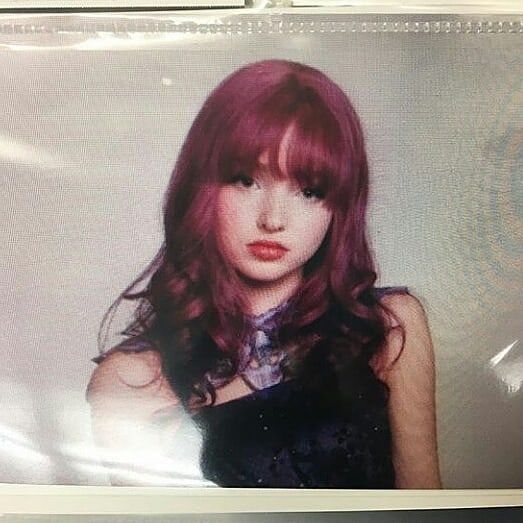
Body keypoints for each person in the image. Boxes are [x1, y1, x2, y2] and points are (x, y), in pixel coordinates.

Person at [86, 59, 441, 488]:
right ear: (201, 186)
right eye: (245, 180)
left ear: (340, 207)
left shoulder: (388, 327)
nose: (274, 219)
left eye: (309, 190)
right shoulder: (135, 378)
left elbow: (426, 507)